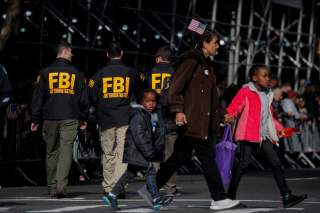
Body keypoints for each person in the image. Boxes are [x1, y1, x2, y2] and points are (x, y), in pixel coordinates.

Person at [138, 30, 240, 211]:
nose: (217, 46)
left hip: (200, 122)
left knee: (178, 157)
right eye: (215, 42)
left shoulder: (205, 65)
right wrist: (178, 110)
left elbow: (211, 99)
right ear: (204, 44)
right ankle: (219, 198)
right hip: (194, 122)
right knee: (208, 158)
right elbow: (175, 89)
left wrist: (222, 115)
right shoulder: (191, 62)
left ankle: (149, 188)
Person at [224, 64, 307, 208]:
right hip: (248, 134)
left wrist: (280, 129)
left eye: (268, 75)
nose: (268, 78)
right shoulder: (246, 91)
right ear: (254, 78)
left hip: (263, 135)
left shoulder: (267, 94)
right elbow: (234, 106)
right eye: (264, 76)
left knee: (275, 162)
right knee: (243, 164)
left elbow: (269, 116)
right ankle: (229, 196)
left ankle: (286, 196)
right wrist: (229, 115)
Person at [30, 41, 89, 198]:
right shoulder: (77, 72)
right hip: (70, 116)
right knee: (65, 151)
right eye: (70, 51)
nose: (72, 54)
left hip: (49, 116)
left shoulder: (44, 72)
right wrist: (83, 117)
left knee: (51, 152)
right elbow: (83, 98)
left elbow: (38, 97)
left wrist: (35, 118)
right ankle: (61, 187)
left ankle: (52, 187)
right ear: (65, 52)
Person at [104, 88, 172, 210]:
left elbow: (161, 129)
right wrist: (149, 152)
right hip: (138, 152)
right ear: (141, 102)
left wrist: (176, 125)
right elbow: (139, 136)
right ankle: (156, 199)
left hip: (139, 152)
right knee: (150, 172)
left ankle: (111, 194)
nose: (151, 104)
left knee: (129, 174)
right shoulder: (139, 116)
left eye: (153, 101)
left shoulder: (151, 115)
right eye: (147, 101)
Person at [88, 42, 140, 199]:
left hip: (106, 118)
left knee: (108, 152)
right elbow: (140, 88)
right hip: (124, 116)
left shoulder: (99, 73)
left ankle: (108, 186)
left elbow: (91, 93)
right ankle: (118, 188)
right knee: (121, 154)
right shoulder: (131, 72)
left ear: (107, 54)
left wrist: (98, 107)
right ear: (122, 53)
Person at [146, 46, 180, 196]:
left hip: (153, 117)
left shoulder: (149, 72)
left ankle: (153, 186)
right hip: (170, 118)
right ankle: (170, 187)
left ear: (159, 58)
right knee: (170, 155)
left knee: (154, 155)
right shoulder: (176, 73)